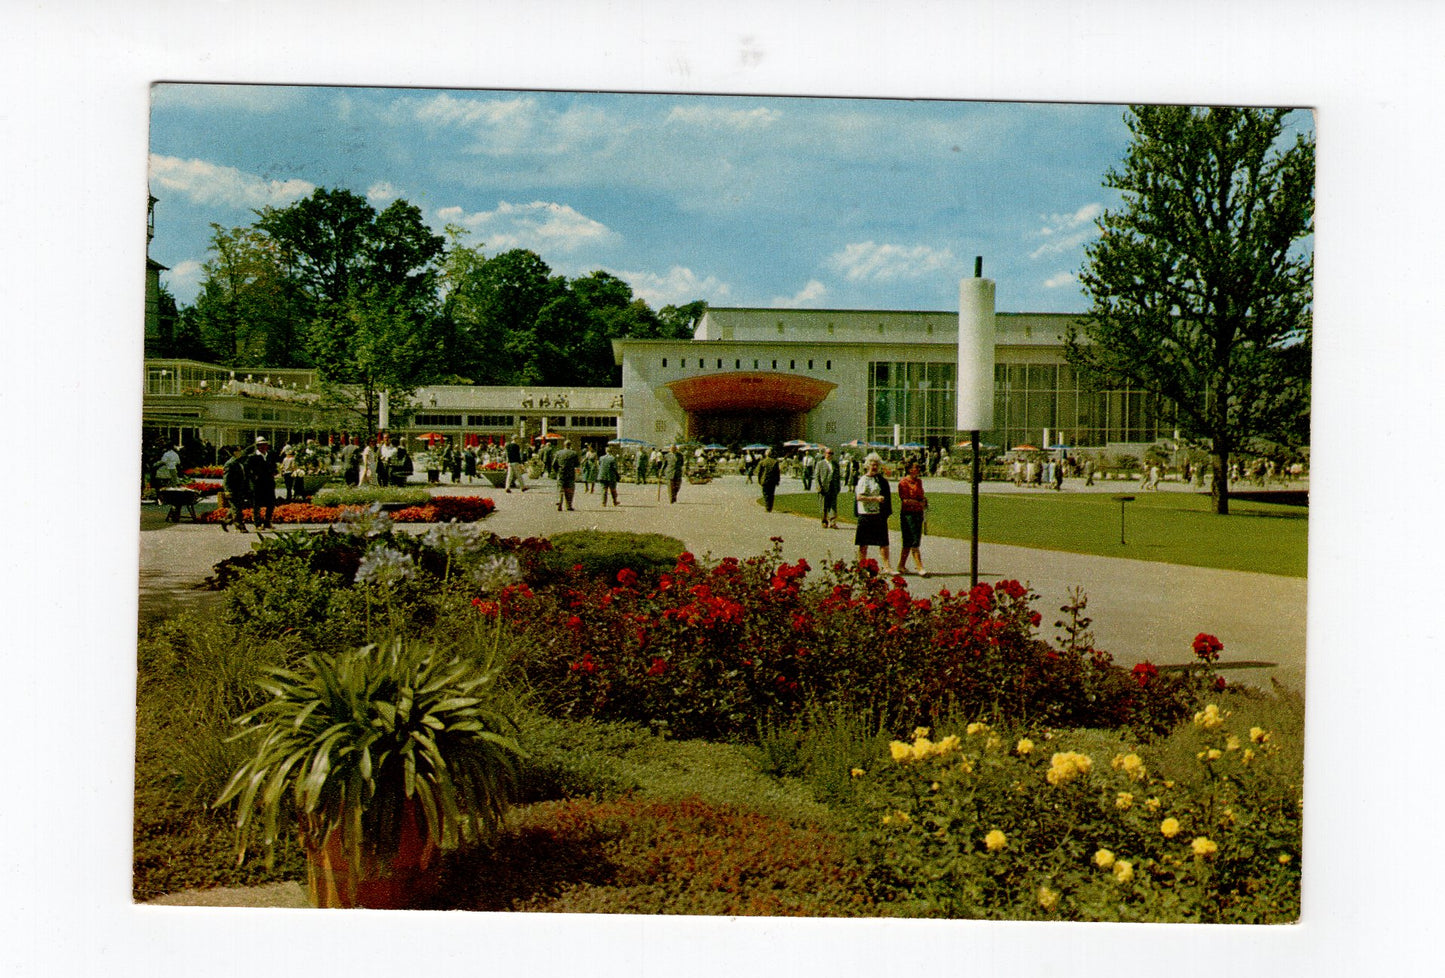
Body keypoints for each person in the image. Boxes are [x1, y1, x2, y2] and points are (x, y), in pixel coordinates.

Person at [854, 453, 893, 570]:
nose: (874, 467)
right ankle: (861, 566)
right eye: (872, 465)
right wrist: (875, 499)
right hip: (865, 514)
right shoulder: (863, 480)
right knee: (863, 543)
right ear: (867, 466)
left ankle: (887, 566)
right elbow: (859, 497)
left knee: (883, 542)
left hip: (878, 514)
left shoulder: (881, 480)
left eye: (876, 465)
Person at [896, 461, 929, 576]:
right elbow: (905, 500)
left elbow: (921, 496)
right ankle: (919, 566)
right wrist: (918, 503)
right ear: (909, 469)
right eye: (916, 467)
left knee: (911, 541)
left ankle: (901, 565)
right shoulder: (903, 482)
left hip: (918, 513)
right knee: (911, 540)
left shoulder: (919, 482)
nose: (918, 469)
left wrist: (924, 501)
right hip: (908, 514)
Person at [243, 436, 279, 530]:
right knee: (257, 504)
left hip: (269, 482)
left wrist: (274, 471)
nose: (263, 447)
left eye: (265, 445)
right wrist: (252, 478)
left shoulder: (270, 455)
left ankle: (267, 521)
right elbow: (246, 470)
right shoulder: (252, 457)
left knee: (271, 503)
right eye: (261, 445)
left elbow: (274, 466)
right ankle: (257, 523)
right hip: (258, 484)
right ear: (258, 446)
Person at [220, 444, 252, 532]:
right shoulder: (230, 463)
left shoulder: (239, 462)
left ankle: (226, 520)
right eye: (239, 450)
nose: (241, 452)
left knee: (237, 507)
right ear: (234, 452)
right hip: (232, 489)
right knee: (236, 508)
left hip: (240, 489)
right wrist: (227, 490)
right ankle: (240, 526)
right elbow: (226, 478)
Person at [815, 447, 841, 528]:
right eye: (828, 453)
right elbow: (817, 476)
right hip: (823, 487)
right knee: (823, 506)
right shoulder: (820, 464)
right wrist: (818, 486)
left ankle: (833, 522)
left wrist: (838, 487)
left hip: (833, 487)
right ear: (825, 454)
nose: (829, 455)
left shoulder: (835, 464)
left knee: (833, 505)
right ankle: (824, 521)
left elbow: (838, 476)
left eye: (831, 453)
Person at [552, 438, 580, 511]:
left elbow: (554, 464)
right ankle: (569, 505)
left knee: (560, 488)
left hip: (561, 472)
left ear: (564, 445)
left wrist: (557, 471)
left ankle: (559, 503)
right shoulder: (574, 453)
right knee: (569, 490)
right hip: (570, 473)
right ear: (570, 445)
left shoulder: (558, 453)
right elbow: (577, 464)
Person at [756, 447, 781, 512]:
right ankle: (770, 507)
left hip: (764, 480)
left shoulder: (762, 462)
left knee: (765, 494)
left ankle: (767, 507)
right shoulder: (775, 462)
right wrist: (778, 480)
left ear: (766, 454)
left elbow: (759, 472)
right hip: (772, 480)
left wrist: (759, 480)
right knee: (771, 494)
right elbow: (777, 472)